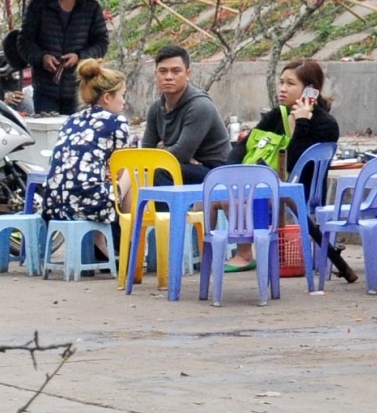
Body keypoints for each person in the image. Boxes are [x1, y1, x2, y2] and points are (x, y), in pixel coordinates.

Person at [241, 58, 352, 281]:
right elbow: (246, 147)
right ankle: (243, 254)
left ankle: (258, 257)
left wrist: (301, 123)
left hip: (303, 189)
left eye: (290, 84)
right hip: (269, 182)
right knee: (223, 198)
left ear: (311, 90)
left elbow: (292, 164)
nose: (282, 88)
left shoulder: (325, 124)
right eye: (281, 82)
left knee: (255, 198)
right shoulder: (277, 115)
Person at [36, 59, 128, 227]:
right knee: (131, 173)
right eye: (122, 95)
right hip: (88, 205)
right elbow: (120, 169)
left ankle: (102, 244)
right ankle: (128, 239)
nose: (124, 102)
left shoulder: (72, 119)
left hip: (53, 204)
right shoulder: (117, 122)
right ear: (107, 97)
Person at [19, 0, 108, 116]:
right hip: (45, 87)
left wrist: (80, 56)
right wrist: (42, 57)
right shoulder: (39, 6)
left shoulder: (91, 8)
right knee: (48, 132)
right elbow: (24, 41)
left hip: (79, 87)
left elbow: (101, 43)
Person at [139, 44, 228, 183]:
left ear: (188, 75)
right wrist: (170, 154)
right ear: (155, 74)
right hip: (186, 167)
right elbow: (146, 152)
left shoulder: (200, 106)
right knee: (148, 169)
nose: (168, 77)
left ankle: (170, 206)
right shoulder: (156, 109)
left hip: (216, 172)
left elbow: (181, 153)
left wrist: (165, 152)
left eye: (176, 71)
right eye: (163, 71)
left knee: (161, 170)